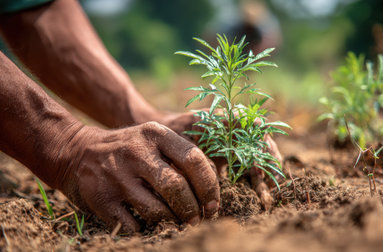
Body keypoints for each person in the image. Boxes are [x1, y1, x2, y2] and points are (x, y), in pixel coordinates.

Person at [0, 0, 282, 232]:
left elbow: (32, 9)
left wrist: (146, 116)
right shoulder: (229, 25)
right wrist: (67, 144)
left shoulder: (262, 26)